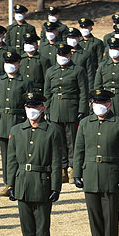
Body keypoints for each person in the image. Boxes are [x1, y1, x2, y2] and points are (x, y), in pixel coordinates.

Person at [8, 92, 64, 236]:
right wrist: (10, 184)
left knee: (42, 228)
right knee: (27, 229)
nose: (32, 111)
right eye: (28, 107)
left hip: (42, 183)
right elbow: (11, 160)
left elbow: (56, 162)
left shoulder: (52, 131)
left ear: (43, 109)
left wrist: (56, 187)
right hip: (22, 182)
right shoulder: (16, 131)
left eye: (35, 107)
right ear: (24, 109)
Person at [72, 89, 119, 236]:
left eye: (103, 103)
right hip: (90, 171)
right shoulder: (85, 123)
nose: (99, 106)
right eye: (96, 103)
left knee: (111, 212)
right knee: (94, 213)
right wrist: (77, 173)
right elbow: (79, 150)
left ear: (110, 104)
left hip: (111, 173)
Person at [0, 52, 33, 197]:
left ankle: (20, 182)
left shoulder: (25, 82)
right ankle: (8, 184)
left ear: (18, 65)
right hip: (2, 120)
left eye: (13, 63)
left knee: (20, 155)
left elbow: (30, 104)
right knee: (5, 156)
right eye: (7, 63)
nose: (10, 66)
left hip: (18, 120)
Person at [44, 43, 88, 183]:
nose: (62, 58)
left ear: (70, 55)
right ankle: (61, 169)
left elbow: (83, 93)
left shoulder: (78, 70)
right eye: (60, 55)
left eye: (65, 55)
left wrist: (82, 110)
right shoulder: (51, 71)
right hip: (55, 109)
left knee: (73, 141)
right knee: (59, 142)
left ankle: (73, 168)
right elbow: (47, 92)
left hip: (72, 109)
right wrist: (47, 109)